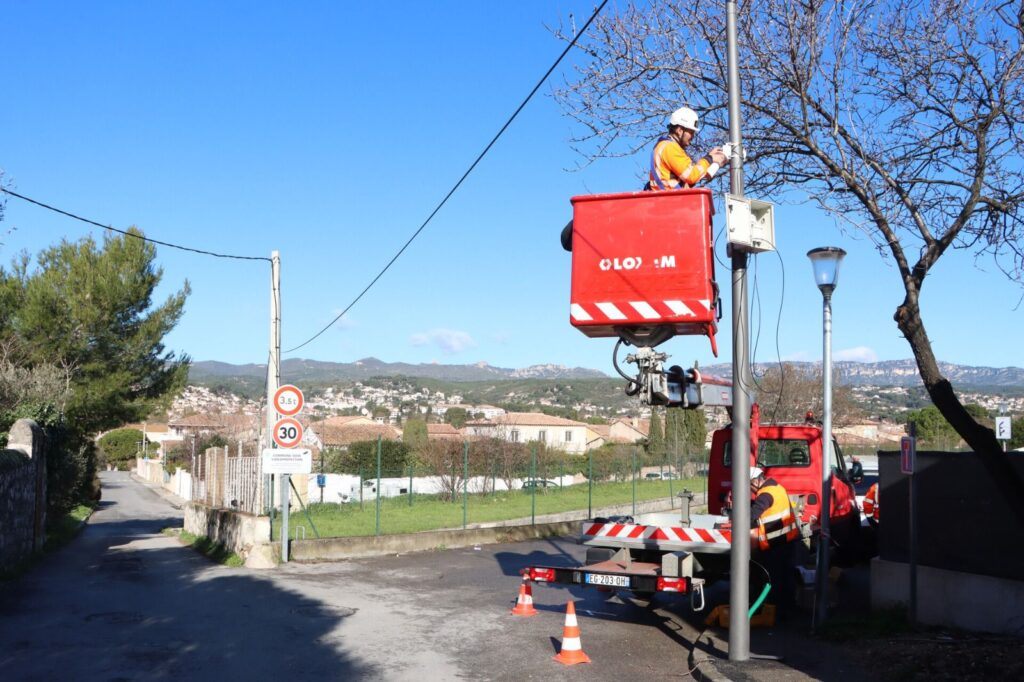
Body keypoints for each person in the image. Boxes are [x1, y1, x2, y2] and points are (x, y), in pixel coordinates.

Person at [748, 466, 800, 617]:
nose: (751, 490)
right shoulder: (777, 487)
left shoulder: (765, 494)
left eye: (750, 485)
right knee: (785, 579)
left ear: (756, 481)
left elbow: (752, 515)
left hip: (776, 545)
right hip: (787, 541)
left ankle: (774, 614)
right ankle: (787, 611)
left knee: (773, 581)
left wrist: (736, 520)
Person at [646, 106, 728, 191]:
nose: (692, 137)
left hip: (666, 199)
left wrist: (711, 159)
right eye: (691, 132)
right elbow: (691, 176)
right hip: (669, 200)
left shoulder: (665, 146)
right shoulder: (670, 148)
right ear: (680, 130)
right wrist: (710, 158)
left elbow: (688, 179)